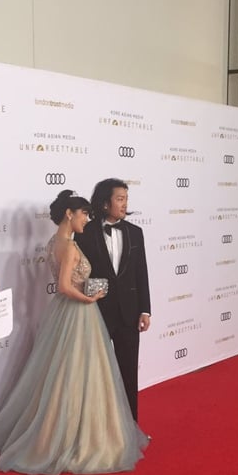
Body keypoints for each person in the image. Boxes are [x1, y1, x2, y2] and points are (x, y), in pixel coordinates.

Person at [0, 190, 148, 475]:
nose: (87, 220)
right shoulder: (69, 246)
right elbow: (64, 286)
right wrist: (89, 298)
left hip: (61, 312)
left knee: (61, 374)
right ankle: (78, 437)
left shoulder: (52, 242)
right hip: (78, 312)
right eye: (83, 214)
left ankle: (56, 432)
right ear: (69, 214)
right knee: (81, 373)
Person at [74, 178, 151, 420]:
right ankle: (97, 426)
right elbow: (79, 274)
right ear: (105, 203)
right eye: (119, 199)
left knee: (129, 372)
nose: (124, 204)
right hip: (97, 312)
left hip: (129, 313)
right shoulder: (85, 233)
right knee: (94, 372)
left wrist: (145, 310)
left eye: (126, 199)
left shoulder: (135, 233)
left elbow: (141, 273)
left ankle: (131, 427)